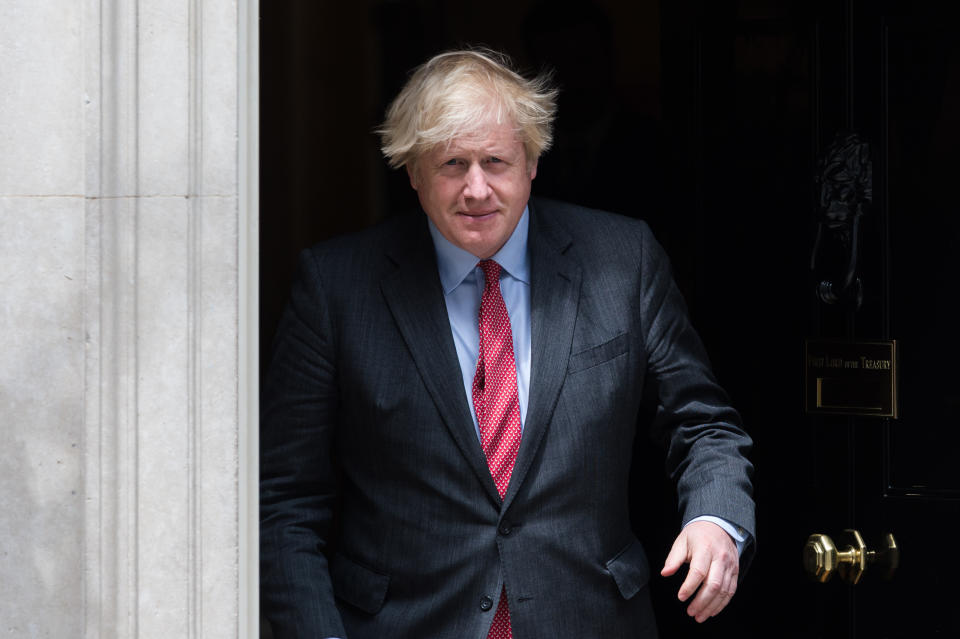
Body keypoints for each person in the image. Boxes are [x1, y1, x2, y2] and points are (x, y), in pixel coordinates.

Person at [260, 49, 755, 639]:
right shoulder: (336, 288)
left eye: (495, 161)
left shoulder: (624, 261)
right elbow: (285, 503)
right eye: (451, 164)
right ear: (412, 171)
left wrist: (715, 519)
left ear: (532, 163)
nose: (476, 189)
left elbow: (703, 423)